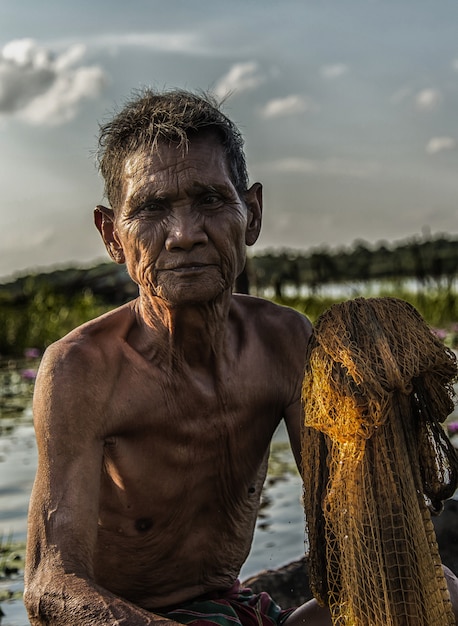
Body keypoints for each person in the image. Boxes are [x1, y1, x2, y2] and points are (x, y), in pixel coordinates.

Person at [23, 88, 458, 626]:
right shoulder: (80, 369)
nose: (183, 235)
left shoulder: (283, 342)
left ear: (250, 214)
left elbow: (348, 525)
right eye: (152, 210)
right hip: (127, 617)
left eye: (209, 200)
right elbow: (50, 587)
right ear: (113, 235)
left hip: (230, 606)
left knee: (434, 589)